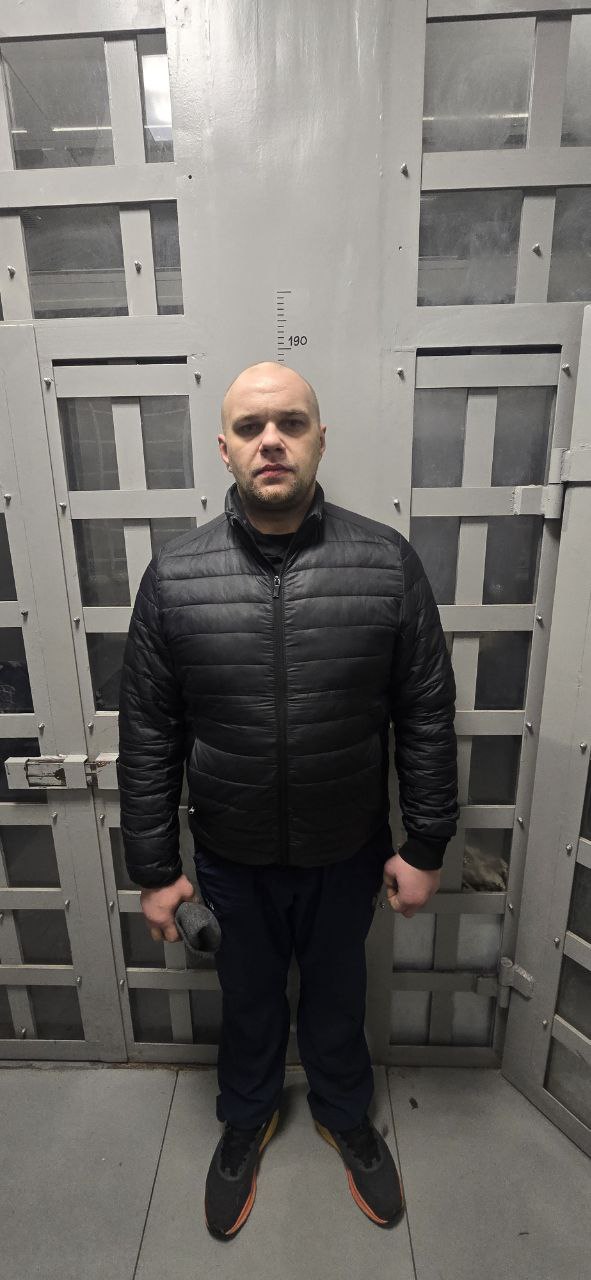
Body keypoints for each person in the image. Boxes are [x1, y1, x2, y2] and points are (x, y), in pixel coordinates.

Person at [117, 361, 459, 1241]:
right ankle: (246, 1117)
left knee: (340, 996)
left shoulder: (385, 562)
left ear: (318, 439)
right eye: (251, 426)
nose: (271, 441)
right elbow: (149, 731)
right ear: (224, 447)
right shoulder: (176, 574)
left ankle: (346, 1115)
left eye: (290, 423)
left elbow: (424, 713)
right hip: (230, 858)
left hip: (348, 851)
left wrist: (425, 845)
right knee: (249, 998)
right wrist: (154, 870)